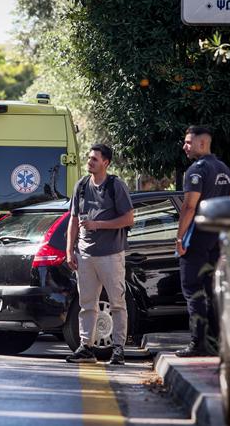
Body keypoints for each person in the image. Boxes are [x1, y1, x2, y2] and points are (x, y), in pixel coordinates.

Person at [65, 144, 134, 365]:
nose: (90, 161)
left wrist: (99, 224)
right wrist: (69, 250)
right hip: (85, 255)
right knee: (87, 303)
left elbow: (128, 219)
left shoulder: (116, 186)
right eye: (89, 158)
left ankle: (118, 349)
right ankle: (86, 348)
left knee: (116, 303)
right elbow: (73, 220)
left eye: (95, 159)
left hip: (111, 255)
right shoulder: (82, 186)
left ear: (106, 162)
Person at [175, 126, 230, 357]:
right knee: (214, 291)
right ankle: (216, 343)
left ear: (202, 144)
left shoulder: (196, 170)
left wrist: (179, 237)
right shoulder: (225, 169)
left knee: (193, 290)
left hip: (197, 237)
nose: (184, 146)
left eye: (188, 142)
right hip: (217, 238)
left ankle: (198, 343)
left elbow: (189, 207)